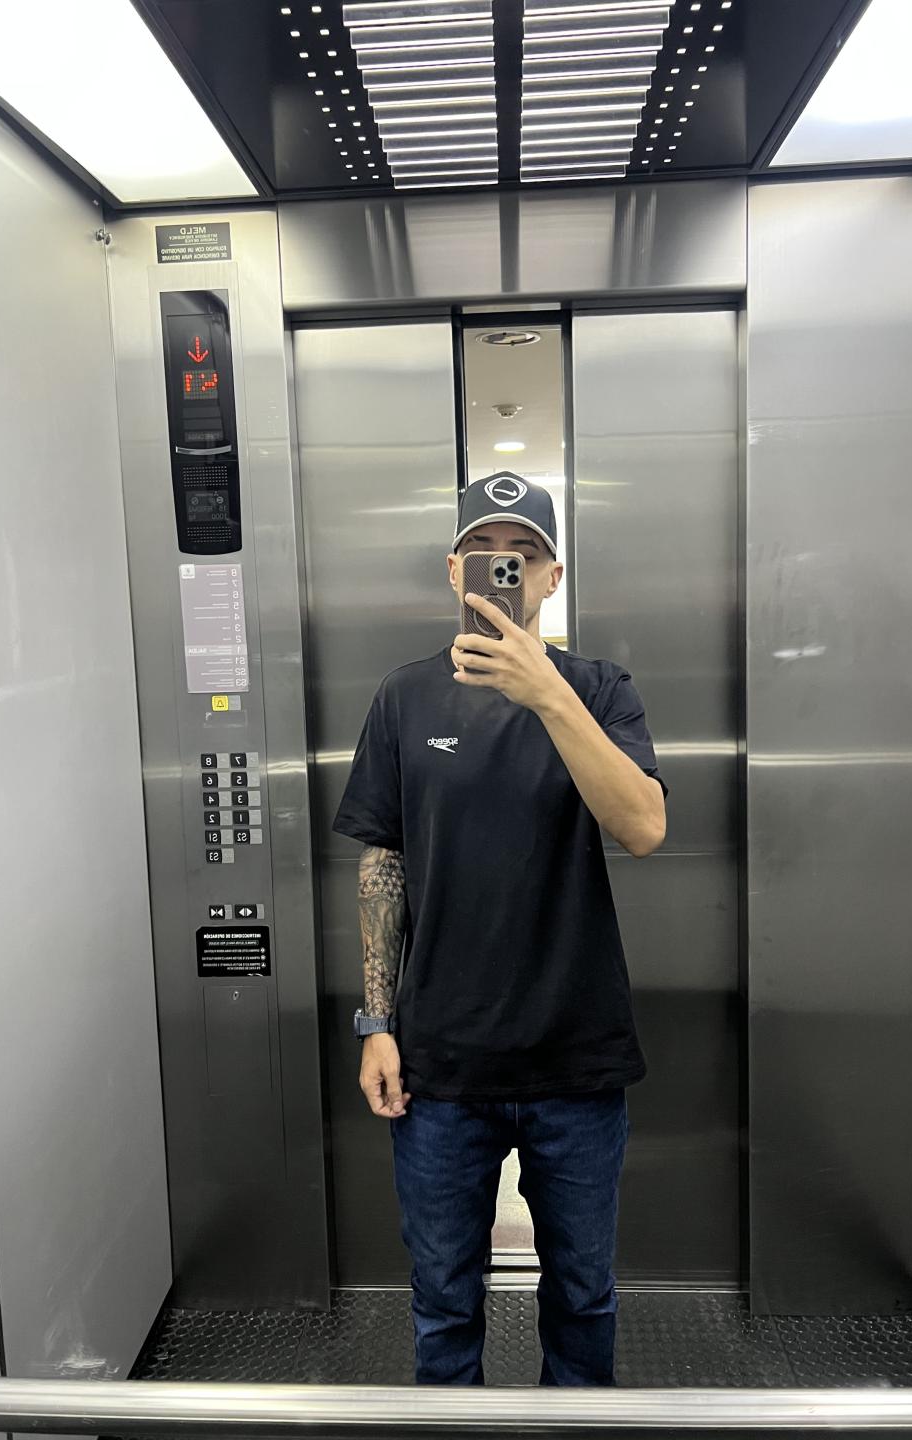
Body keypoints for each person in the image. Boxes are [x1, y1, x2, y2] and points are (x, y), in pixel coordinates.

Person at [332, 473, 667, 1387]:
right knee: (443, 1300)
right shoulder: (404, 697)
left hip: (576, 1058)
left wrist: (547, 693)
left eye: (522, 555)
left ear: (552, 576)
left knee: (583, 1298)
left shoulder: (599, 689)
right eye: (483, 553)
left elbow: (643, 827)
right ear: (454, 571)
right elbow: (383, 864)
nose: (502, 569)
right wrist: (376, 1023)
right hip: (440, 1066)